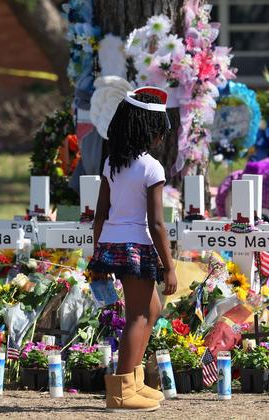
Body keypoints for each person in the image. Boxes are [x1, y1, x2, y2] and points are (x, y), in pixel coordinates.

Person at [87, 90, 177, 412]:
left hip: (112, 243)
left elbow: (100, 214)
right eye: (159, 131)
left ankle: (135, 381)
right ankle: (122, 390)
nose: (160, 136)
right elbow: (156, 223)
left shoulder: (112, 163)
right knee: (137, 315)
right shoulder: (151, 168)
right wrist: (169, 266)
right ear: (147, 132)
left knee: (150, 310)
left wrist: (97, 256)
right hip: (137, 246)